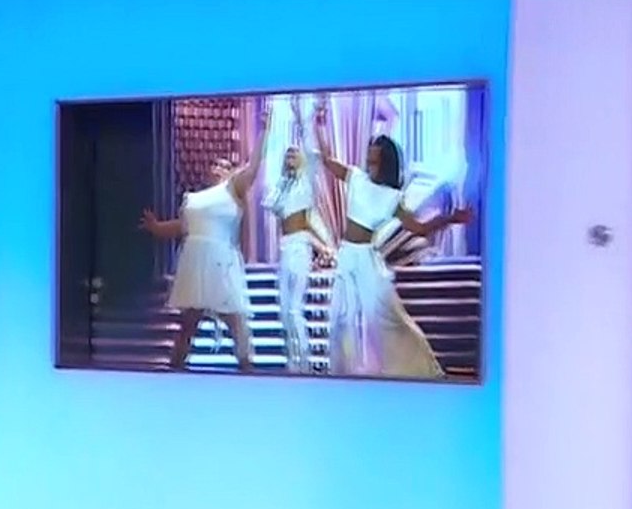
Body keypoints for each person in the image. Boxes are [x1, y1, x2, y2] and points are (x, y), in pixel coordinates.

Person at [303, 107, 470, 378]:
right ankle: (343, 374)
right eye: (369, 158)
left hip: (367, 261)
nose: (370, 164)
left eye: (375, 160)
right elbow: (327, 160)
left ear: (385, 162)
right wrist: (318, 124)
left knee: (387, 318)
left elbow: (419, 227)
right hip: (347, 257)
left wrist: (451, 218)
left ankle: (416, 368)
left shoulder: (391, 197)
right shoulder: (356, 177)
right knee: (341, 318)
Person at [138, 106, 269, 372]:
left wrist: (264, 131)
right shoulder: (194, 199)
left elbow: (253, 167)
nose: (219, 168)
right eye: (215, 164)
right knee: (189, 320)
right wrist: (156, 227)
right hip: (195, 261)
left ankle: (247, 366)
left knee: (233, 318)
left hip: (219, 260)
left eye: (225, 165)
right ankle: (176, 365)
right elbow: (182, 227)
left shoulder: (233, 188)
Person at [264, 141, 331, 374]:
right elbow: (271, 204)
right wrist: (285, 178)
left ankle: (304, 361)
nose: (289, 157)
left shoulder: (306, 184)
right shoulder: (283, 185)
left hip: (300, 247)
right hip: (286, 248)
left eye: (294, 154)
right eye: (287, 154)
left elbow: (314, 159)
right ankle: (292, 360)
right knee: (284, 309)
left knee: (294, 308)